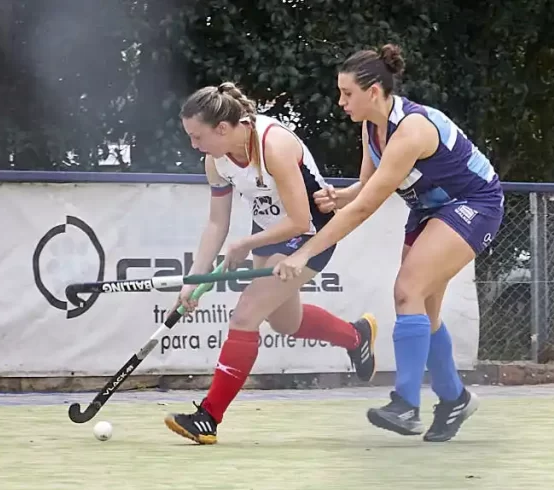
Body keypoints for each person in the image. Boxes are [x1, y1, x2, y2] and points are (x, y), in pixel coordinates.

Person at [274, 44, 504, 441]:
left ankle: (406, 405)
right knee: (425, 309)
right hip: (429, 209)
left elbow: (366, 208)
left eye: (347, 93)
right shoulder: (371, 127)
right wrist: (341, 196)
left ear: (374, 91)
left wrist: (305, 251)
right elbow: (367, 186)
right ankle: (455, 398)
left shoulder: (411, 130)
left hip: (473, 204)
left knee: (407, 291)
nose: (341, 102)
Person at [164, 82, 378, 444]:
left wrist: (244, 244)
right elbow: (216, 223)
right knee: (285, 321)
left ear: (222, 128)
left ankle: (208, 417)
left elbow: (299, 220)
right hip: (269, 232)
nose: (194, 145)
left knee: (244, 315)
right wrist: (193, 280)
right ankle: (357, 336)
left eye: (197, 136)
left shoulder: (273, 146)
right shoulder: (215, 161)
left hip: (310, 233)